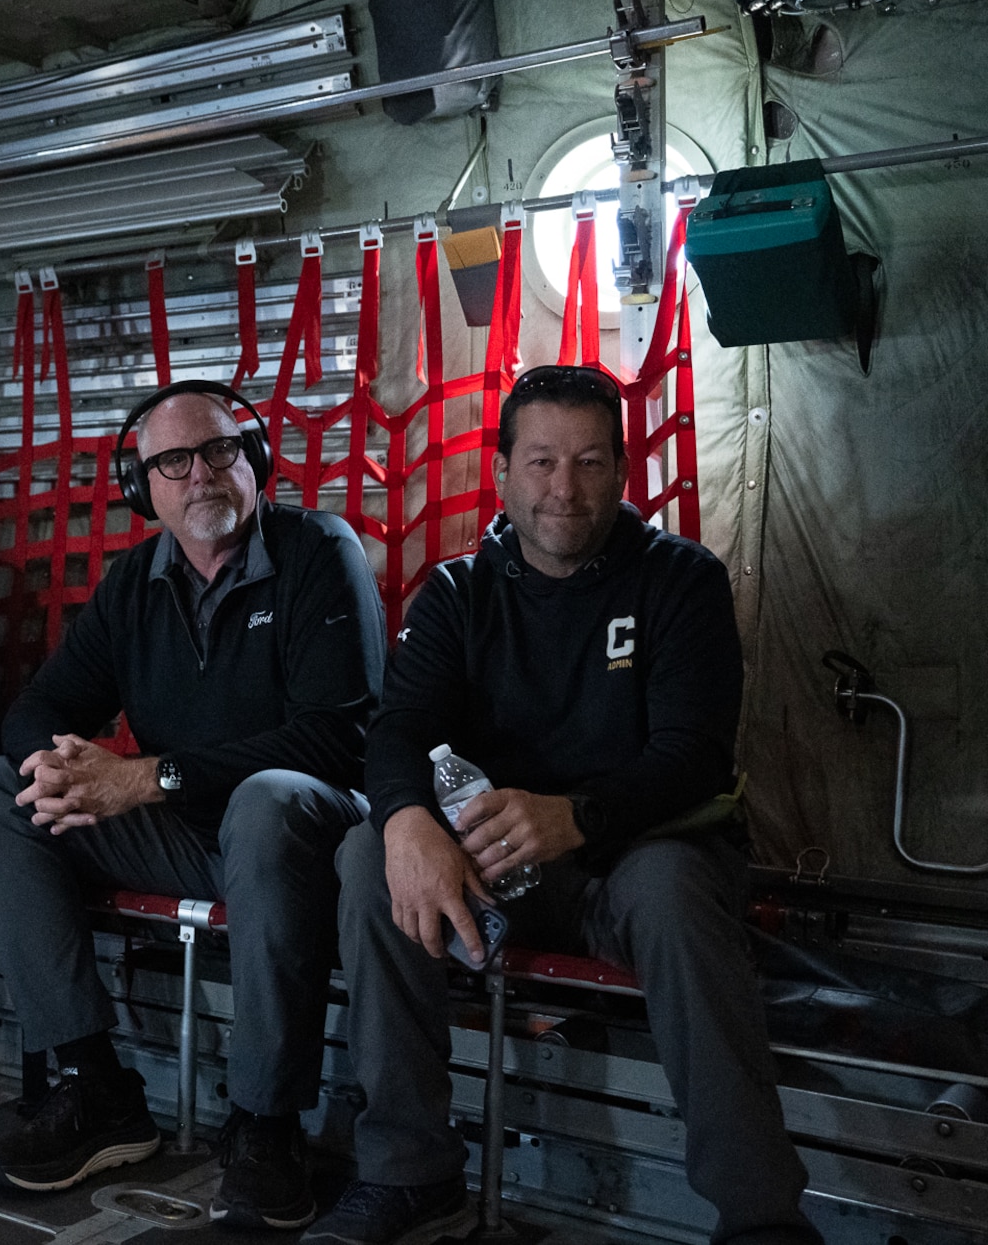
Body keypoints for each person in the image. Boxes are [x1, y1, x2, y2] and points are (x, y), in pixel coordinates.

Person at [307, 366, 820, 1245]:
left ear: (624, 470)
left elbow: (694, 755)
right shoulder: (458, 593)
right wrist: (406, 821)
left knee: (669, 889)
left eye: (588, 462)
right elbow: (395, 734)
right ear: (503, 468)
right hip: (500, 874)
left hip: (638, 859)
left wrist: (576, 814)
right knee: (369, 853)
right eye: (541, 460)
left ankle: (761, 1215)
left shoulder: (680, 581)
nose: (563, 488)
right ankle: (409, 1170)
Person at [0, 382, 386, 1230]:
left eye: (223, 450)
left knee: (266, 801)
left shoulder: (318, 551)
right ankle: (97, 1086)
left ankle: (267, 1123)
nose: (203, 476)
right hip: (189, 836)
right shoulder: (134, 586)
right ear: (144, 486)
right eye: (174, 462)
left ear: (256, 459)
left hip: (310, 844)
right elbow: (34, 711)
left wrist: (147, 777)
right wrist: (59, 767)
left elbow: (338, 739)